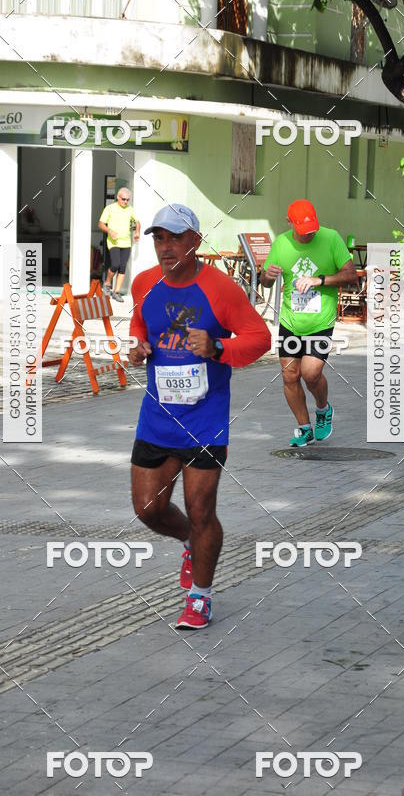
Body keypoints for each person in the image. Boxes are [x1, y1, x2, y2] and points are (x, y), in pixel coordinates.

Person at [128, 204, 271, 629]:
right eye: (159, 238)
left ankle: (200, 597)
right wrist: (137, 348)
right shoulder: (144, 284)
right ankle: (189, 539)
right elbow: (141, 325)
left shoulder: (221, 289)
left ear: (195, 241)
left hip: (205, 420)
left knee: (201, 508)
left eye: (175, 238)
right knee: (148, 509)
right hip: (157, 415)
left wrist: (218, 348)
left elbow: (259, 339)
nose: (166, 247)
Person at [259, 200, 357, 447]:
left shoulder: (331, 238)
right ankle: (304, 428)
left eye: (312, 229)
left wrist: (320, 280)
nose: (309, 234)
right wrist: (266, 276)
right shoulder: (281, 243)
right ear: (289, 222)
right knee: (290, 376)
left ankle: (323, 409)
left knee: (311, 374)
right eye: (304, 231)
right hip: (290, 321)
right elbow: (265, 281)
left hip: (320, 321)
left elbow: (350, 275)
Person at [98, 187, 140, 302]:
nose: (125, 202)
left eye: (127, 200)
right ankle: (107, 283)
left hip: (126, 242)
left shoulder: (130, 209)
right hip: (114, 242)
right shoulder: (110, 208)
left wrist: (137, 232)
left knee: (122, 268)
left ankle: (116, 292)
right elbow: (101, 224)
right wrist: (110, 231)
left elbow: (137, 222)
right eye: (123, 199)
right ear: (118, 197)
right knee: (115, 264)